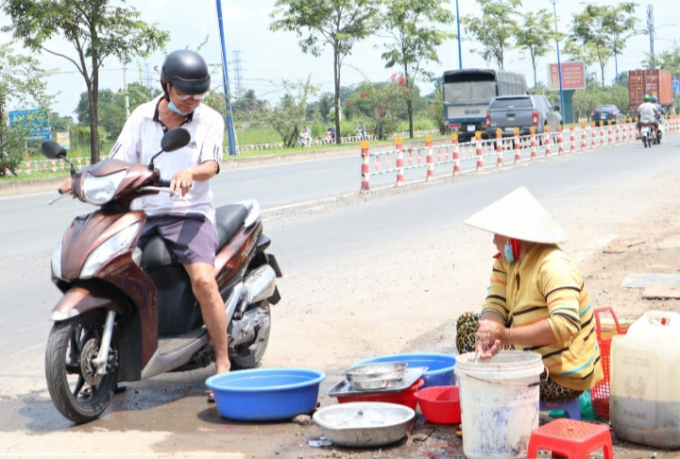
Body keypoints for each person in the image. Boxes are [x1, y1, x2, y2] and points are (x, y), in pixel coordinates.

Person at [60, 50, 231, 385]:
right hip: (143, 212)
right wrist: (81, 178)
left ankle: (223, 362)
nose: (192, 100)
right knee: (112, 270)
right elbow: (117, 161)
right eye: (184, 94)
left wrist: (190, 172)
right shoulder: (141, 117)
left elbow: (211, 165)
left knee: (203, 281)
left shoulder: (209, 119)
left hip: (189, 213)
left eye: (199, 94)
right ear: (166, 85)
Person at [456, 187, 604, 402]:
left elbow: (565, 324)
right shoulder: (506, 262)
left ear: (512, 238)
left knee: (477, 343)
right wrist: (486, 337)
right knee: (469, 326)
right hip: (530, 357)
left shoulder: (553, 265)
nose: (494, 240)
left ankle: (497, 407)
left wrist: (506, 335)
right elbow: (494, 305)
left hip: (558, 377)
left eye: (497, 233)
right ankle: (493, 405)